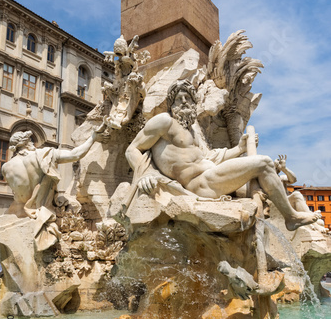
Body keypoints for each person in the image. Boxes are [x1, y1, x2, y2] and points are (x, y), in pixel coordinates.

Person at [125, 79, 320, 232]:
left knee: (263, 184)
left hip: (212, 176)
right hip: (200, 184)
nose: (184, 101)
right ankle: (291, 217)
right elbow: (132, 149)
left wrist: (240, 148)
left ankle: (289, 211)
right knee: (265, 163)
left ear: (194, 102)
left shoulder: (192, 129)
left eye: (188, 98)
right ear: (171, 103)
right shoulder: (164, 122)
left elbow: (209, 157)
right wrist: (146, 174)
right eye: (179, 98)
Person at [2, 128, 101, 250]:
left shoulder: (6, 167)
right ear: (25, 143)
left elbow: (17, 194)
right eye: (30, 141)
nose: (32, 143)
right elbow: (75, 154)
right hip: (43, 210)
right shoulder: (43, 155)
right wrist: (93, 137)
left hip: (20, 212)